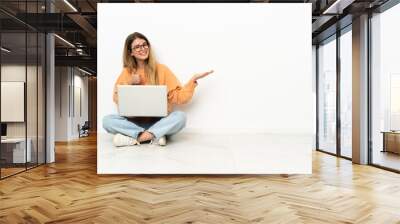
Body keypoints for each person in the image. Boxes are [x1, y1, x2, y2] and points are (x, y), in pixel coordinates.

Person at [103, 32, 213, 147]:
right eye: (137, 47)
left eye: (144, 45)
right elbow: (116, 98)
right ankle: (155, 136)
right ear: (131, 52)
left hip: (159, 122)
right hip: (133, 123)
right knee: (107, 120)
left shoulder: (162, 70)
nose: (142, 49)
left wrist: (192, 81)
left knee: (181, 117)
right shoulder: (127, 72)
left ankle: (136, 138)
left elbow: (180, 98)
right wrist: (129, 82)